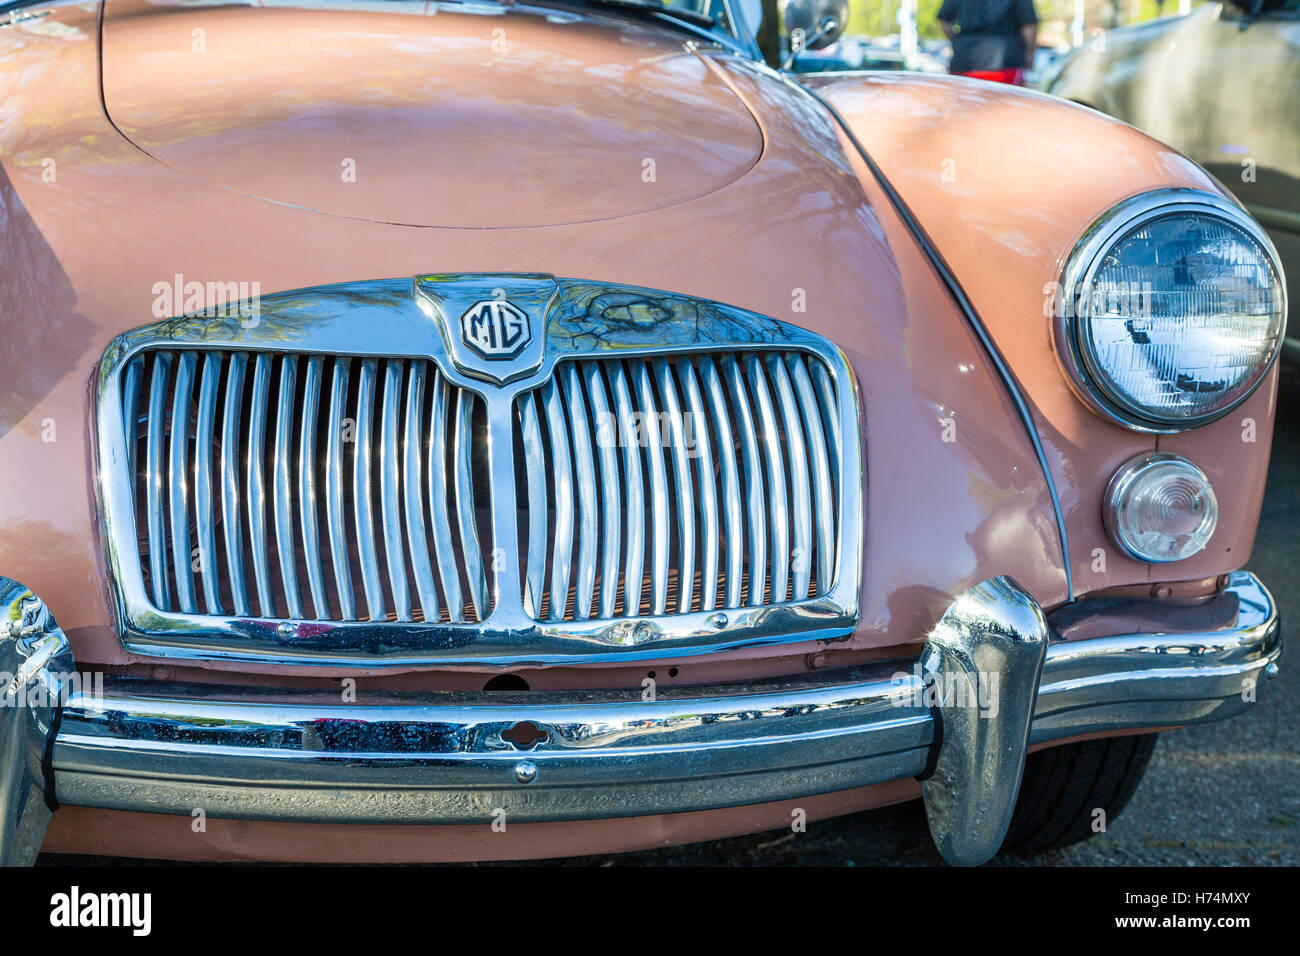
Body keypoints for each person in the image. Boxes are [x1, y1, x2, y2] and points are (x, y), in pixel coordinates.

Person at [937, 0, 1038, 85]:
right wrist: (1029, 54)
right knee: (1006, 107)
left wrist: (958, 41)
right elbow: (1029, 25)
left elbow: (943, 20)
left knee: (964, 106)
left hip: (964, 62)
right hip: (1005, 62)